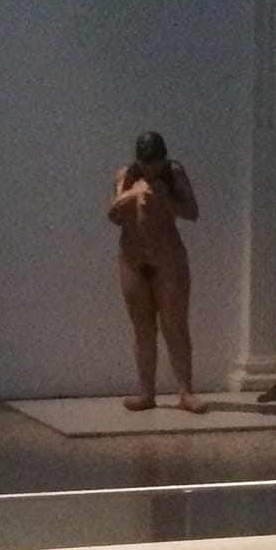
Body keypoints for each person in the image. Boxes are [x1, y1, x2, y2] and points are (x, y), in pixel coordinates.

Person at [107, 130, 206, 414]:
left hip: (168, 260)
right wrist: (125, 200)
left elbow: (192, 212)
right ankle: (146, 392)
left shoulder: (174, 173)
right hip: (133, 259)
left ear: (164, 159)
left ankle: (185, 391)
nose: (151, 170)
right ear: (138, 160)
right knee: (143, 329)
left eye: (155, 164)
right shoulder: (125, 175)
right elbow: (113, 216)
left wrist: (165, 200)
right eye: (146, 164)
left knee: (175, 326)